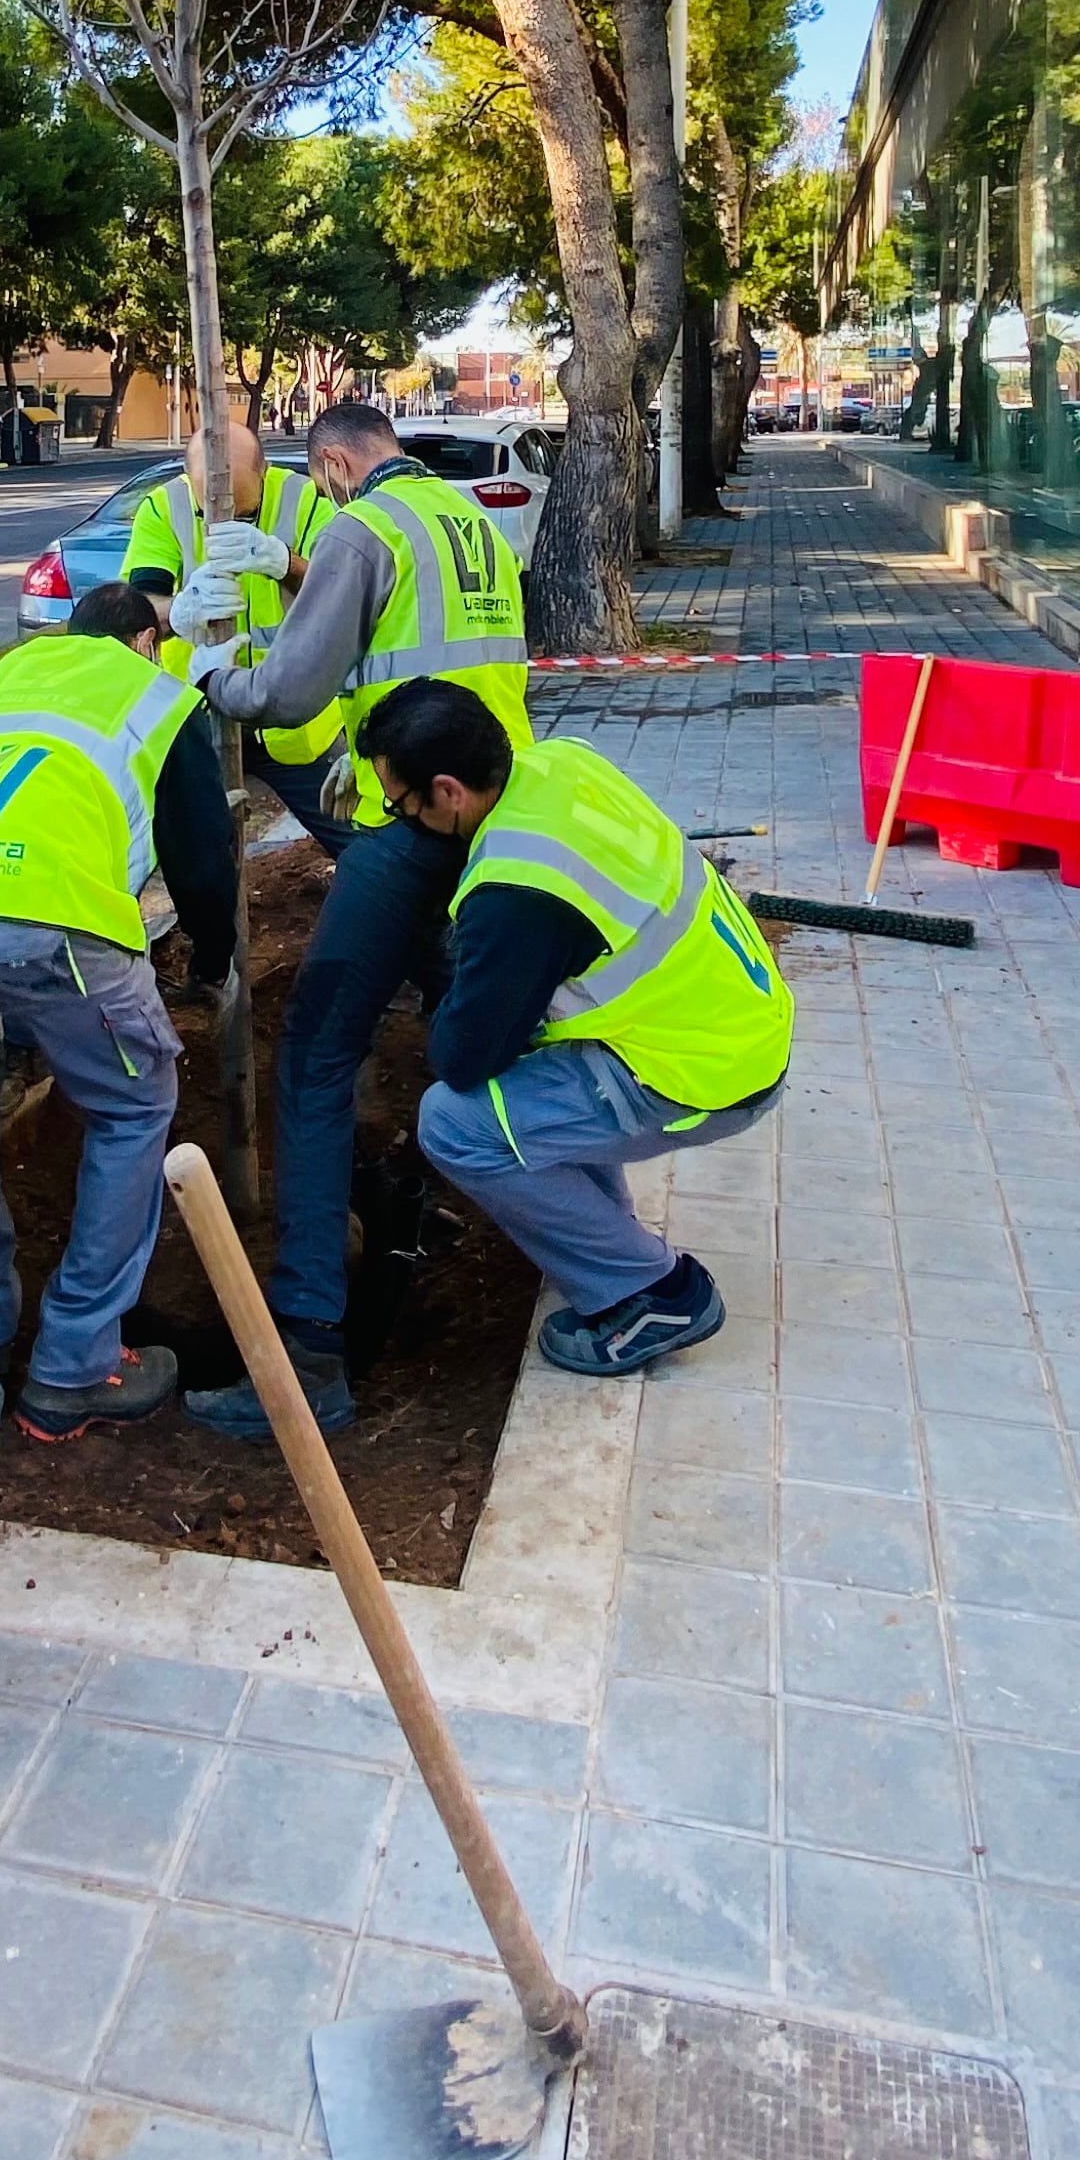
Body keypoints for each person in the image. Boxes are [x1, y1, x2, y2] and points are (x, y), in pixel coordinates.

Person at [181, 397, 531, 1437]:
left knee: (318, 1056)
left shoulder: (358, 528)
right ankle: (474, 1199)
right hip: (489, 806)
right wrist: (297, 569)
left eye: (320, 480)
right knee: (465, 1014)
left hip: (410, 822)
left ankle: (307, 1349)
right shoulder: (464, 515)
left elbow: (289, 692)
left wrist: (218, 675)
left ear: (332, 462)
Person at [0, 582, 241, 1441]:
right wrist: (213, 958)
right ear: (144, 640)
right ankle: (76, 1364)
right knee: (134, 1105)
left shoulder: (11, 675)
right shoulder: (154, 692)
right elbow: (204, 860)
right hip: (43, 924)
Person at [360, 679, 793, 1372]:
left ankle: (656, 1290)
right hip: (734, 1019)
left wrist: (447, 983)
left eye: (401, 805)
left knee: (456, 1122)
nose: (398, 819)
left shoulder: (515, 892)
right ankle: (607, 1238)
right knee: (533, 1078)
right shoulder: (561, 761)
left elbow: (464, 1057)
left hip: (700, 1076)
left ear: (448, 791)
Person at [123, 420, 348, 852]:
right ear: (190, 482)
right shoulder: (163, 507)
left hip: (288, 712)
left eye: (245, 511)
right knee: (188, 850)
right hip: (199, 711)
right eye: (208, 508)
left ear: (264, 473)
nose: (226, 516)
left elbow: (339, 589)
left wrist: (283, 562)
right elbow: (139, 610)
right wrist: (182, 609)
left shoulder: (305, 499)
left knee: (357, 840)